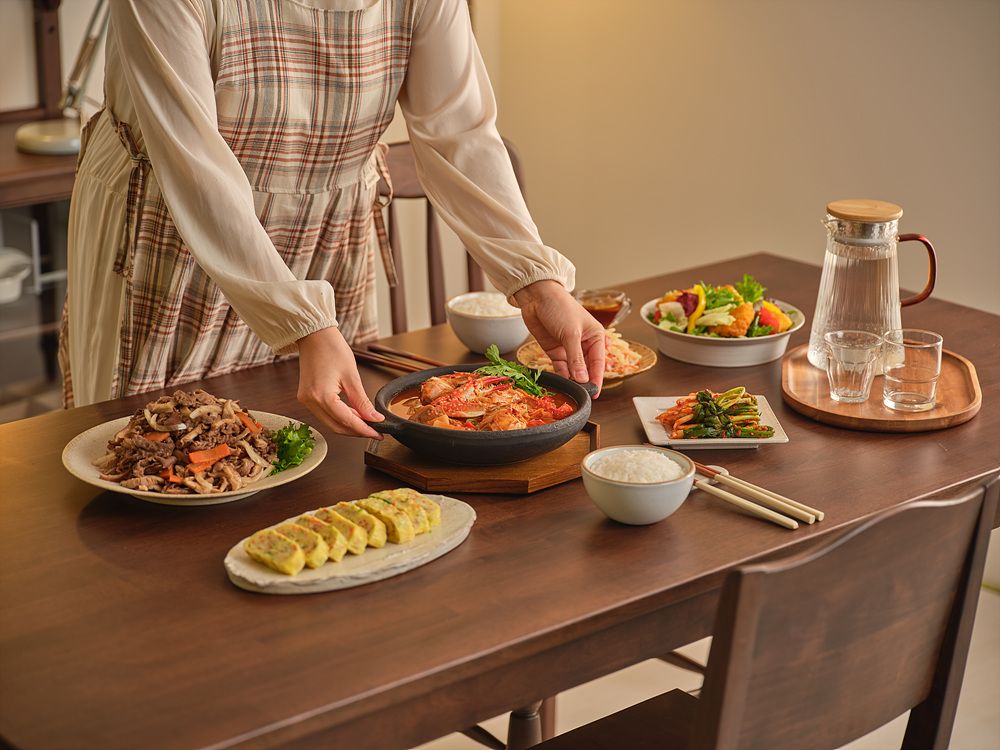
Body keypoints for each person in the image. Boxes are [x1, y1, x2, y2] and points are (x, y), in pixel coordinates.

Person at [60, 0, 605, 438]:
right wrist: (306, 325)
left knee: (321, 445)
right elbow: (194, 166)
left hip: (327, 233)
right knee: (155, 445)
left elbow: (459, 135)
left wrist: (537, 283)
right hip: (175, 231)